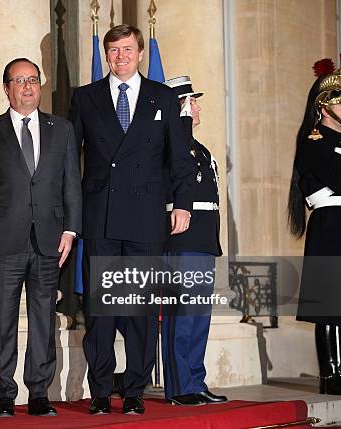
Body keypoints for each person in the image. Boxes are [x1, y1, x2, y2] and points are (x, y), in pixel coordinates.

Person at [69, 24, 194, 415]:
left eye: (127, 49)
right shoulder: (85, 98)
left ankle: (136, 389)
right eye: (113, 50)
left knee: (140, 310)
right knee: (102, 310)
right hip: (100, 217)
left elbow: (179, 157)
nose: (121, 56)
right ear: (106, 55)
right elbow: (71, 162)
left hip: (145, 219)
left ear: (140, 53)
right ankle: (102, 390)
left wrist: (183, 204)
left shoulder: (163, 97)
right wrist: (69, 215)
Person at [0, 58, 81, 417]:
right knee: (2, 320)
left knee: (43, 318)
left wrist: (70, 229)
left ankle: (38, 394)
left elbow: (71, 185)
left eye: (33, 80)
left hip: (49, 241)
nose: (28, 87)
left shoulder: (61, 129)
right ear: (7, 89)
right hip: (3, 243)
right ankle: (4, 394)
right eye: (19, 81)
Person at [161, 76, 227, 406]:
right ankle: (179, 386)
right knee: (182, 316)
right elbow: (177, 168)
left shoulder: (199, 148)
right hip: (182, 239)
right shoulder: (170, 143)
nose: (196, 107)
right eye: (190, 102)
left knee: (199, 316)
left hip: (202, 238)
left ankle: (195, 381)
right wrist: (180, 122)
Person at [289, 59, 341, 395]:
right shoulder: (315, 139)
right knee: (330, 304)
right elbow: (331, 179)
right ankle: (332, 373)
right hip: (331, 225)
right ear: (324, 104)